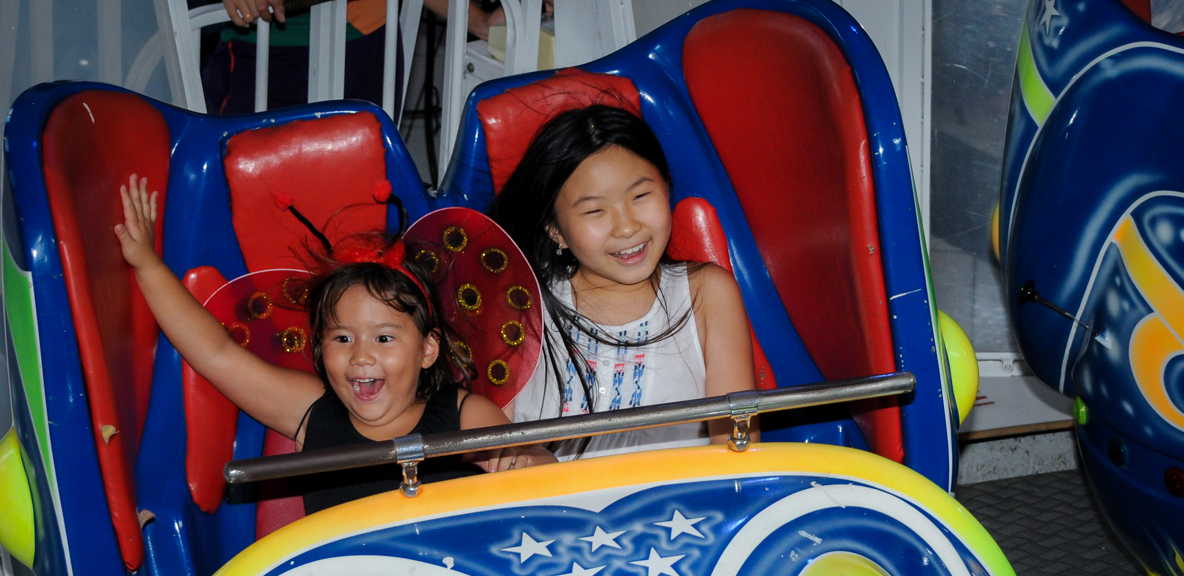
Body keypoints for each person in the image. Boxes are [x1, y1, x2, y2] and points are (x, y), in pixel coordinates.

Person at [114, 175, 553, 514]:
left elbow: (541, 473)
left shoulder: (464, 416)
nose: (361, 355)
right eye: (342, 338)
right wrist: (147, 264)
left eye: (384, 337)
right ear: (320, 349)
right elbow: (216, 353)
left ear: (428, 349)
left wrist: (531, 462)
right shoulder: (312, 411)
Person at [490, 104, 760, 459]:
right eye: (595, 211)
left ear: (666, 188)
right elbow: (492, 445)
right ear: (556, 230)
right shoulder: (520, 303)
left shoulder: (706, 295)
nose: (627, 227)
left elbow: (738, 450)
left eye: (640, 196)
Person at [205, 0, 508, 114]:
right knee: (249, 184)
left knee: (358, 183)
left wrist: (476, 20)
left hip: (367, 42)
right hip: (269, 49)